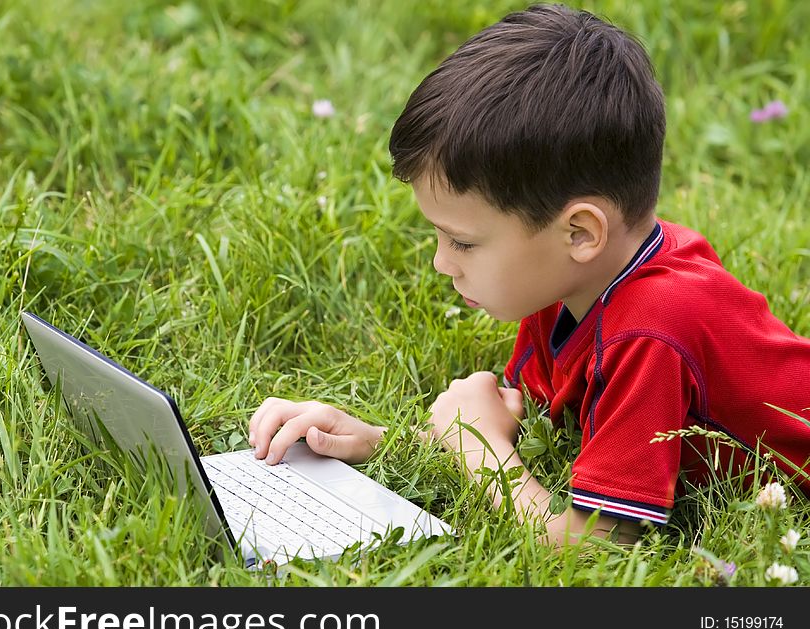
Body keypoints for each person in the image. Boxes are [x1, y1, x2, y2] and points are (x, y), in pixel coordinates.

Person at [247, 4, 810, 547]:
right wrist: (368, 440)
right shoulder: (572, 279)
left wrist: (483, 451)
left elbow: (593, 546)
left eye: (463, 241)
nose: (441, 262)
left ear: (580, 234)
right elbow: (525, 422)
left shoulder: (650, 329)